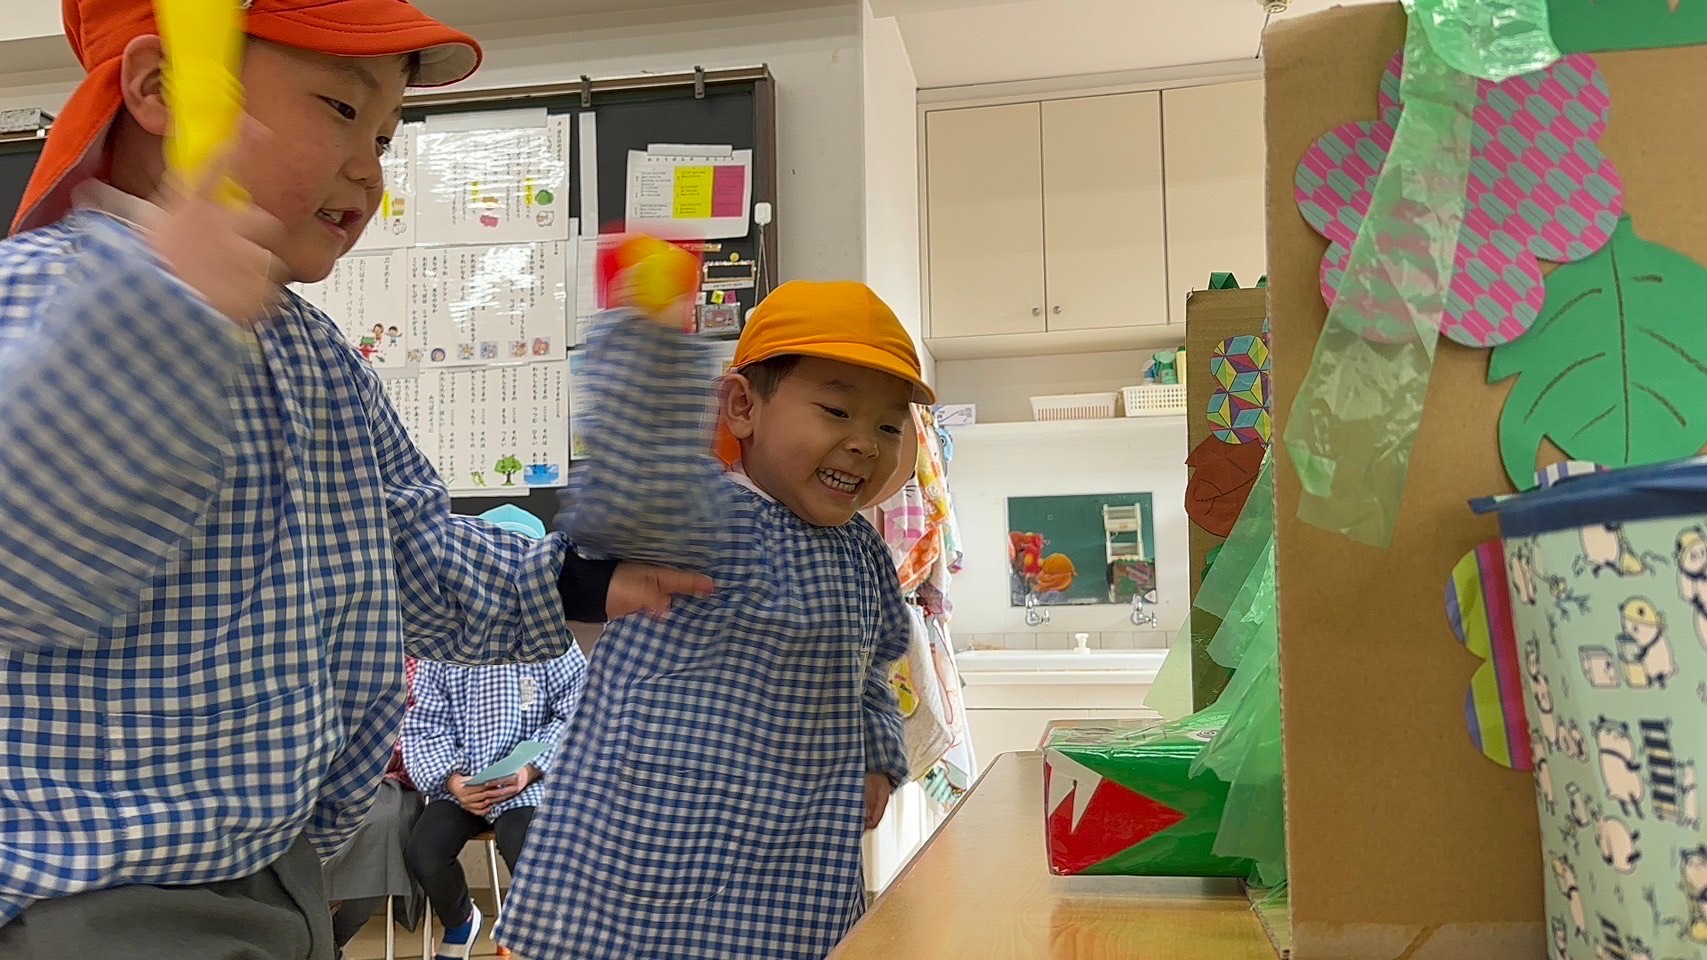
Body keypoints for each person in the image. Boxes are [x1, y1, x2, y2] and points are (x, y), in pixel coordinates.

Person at [0, 4, 709, 958]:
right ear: (165, 90)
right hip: (95, 892)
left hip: (281, 867)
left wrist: (585, 581)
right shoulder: (39, 290)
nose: (372, 171)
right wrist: (167, 312)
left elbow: (410, 550)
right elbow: (27, 562)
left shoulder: (314, 350)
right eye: (340, 109)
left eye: (384, 135)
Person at [495, 277, 929, 960]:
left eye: (887, 426)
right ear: (742, 407)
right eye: (836, 411)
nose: (864, 445)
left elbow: (871, 668)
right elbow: (628, 478)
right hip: (646, 846)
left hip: (796, 849)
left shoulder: (862, 552)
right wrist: (651, 347)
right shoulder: (694, 514)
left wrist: (878, 755)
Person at [403, 506, 586, 959]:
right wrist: (453, 781)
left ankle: (535, 936)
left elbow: (577, 716)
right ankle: (461, 922)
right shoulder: (443, 650)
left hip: (528, 786)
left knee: (526, 844)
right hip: (464, 786)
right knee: (425, 850)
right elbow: (425, 722)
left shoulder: (555, 646)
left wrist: (529, 770)